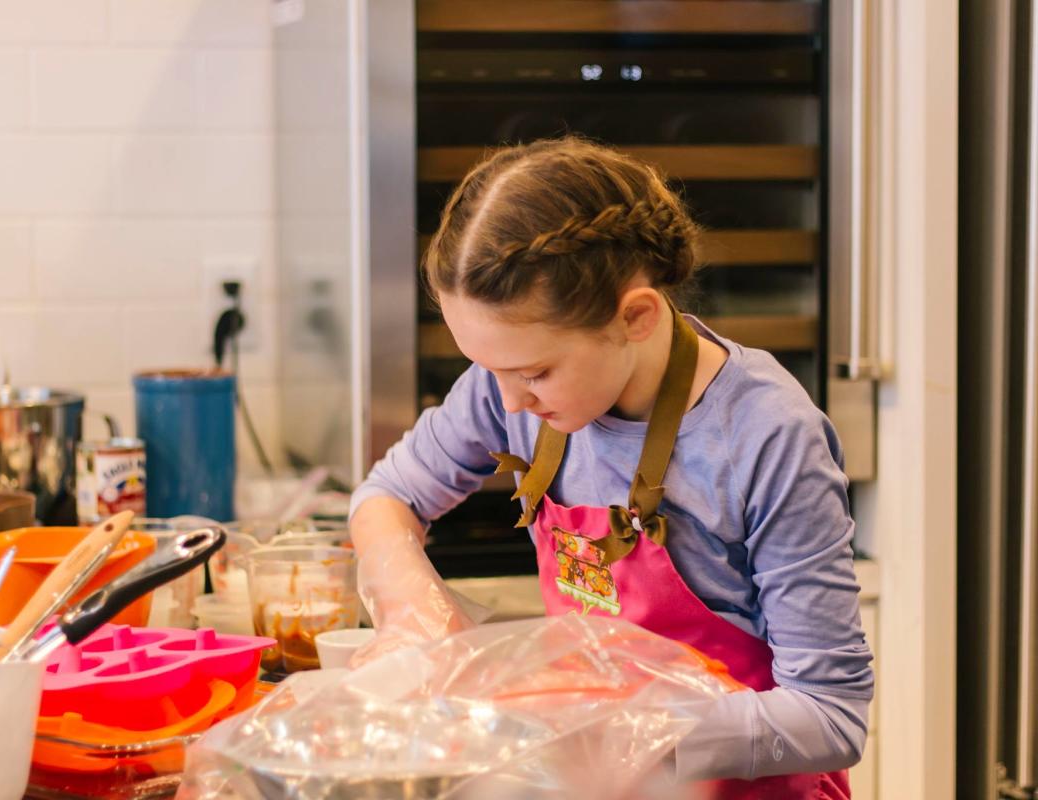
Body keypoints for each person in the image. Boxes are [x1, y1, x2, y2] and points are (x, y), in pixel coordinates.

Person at [349, 136, 873, 798]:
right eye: (489, 369)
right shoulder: (504, 391)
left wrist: (629, 734)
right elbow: (387, 495)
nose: (507, 402)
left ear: (637, 317)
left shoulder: (766, 438)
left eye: (535, 371)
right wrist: (412, 613)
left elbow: (831, 715)